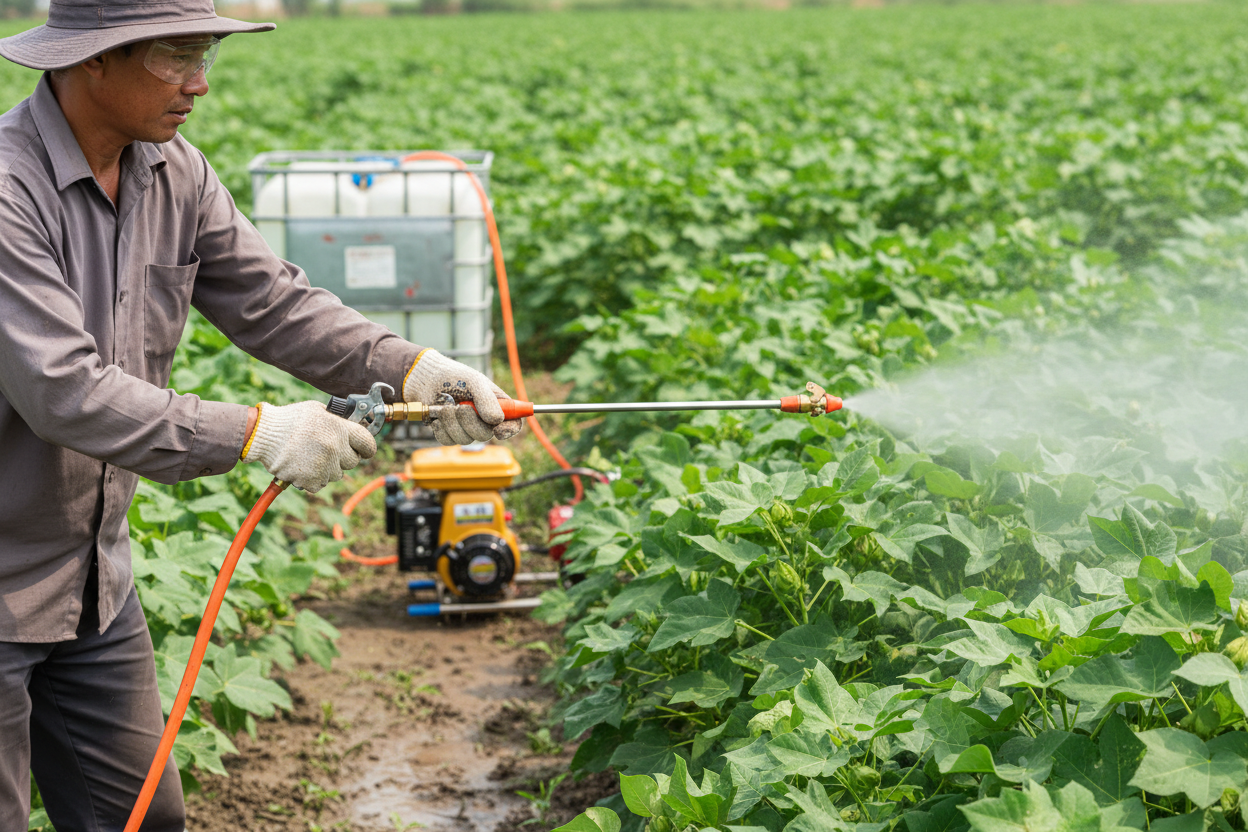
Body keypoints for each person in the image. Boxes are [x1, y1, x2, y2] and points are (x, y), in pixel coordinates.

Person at [0, 1, 521, 828]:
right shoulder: (7, 190)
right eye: (176, 58)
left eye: (205, 55)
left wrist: (416, 367)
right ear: (91, 59)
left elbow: (275, 304)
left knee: (141, 817)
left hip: (91, 580)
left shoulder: (173, 172)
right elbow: (64, 389)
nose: (200, 84)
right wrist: (259, 431)